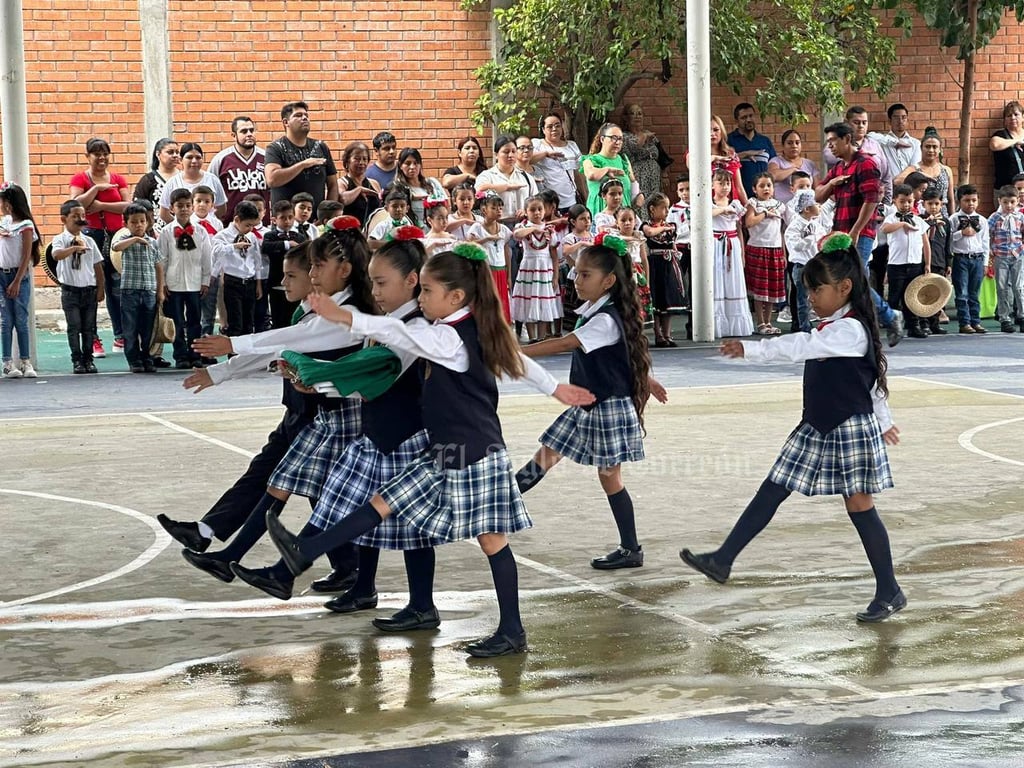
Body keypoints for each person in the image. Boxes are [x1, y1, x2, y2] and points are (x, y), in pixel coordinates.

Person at [260, 244, 595, 657]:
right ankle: (302, 553)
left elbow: (400, 332)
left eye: (428, 292)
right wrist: (556, 388)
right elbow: (519, 362)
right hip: (451, 449)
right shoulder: (473, 326)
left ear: (455, 297)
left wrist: (346, 316)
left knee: (491, 540)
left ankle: (512, 631)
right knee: (384, 502)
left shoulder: (448, 338)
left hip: (469, 453)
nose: (420, 299)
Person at [681, 234, 905, 623]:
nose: (811, 298)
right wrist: (884, 421)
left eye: (817, 290)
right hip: (818, 424)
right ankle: (722, 559)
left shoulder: (848, 331)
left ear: (844, 288)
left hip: (849, 428)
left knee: (859, 505)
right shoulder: (837, 325)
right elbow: (870, 382)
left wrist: (750, 349)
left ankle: (890, 590)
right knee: (773, 487)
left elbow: (803, 347)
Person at [230, 237, 441, 623]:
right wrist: (319, 384)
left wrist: (322, 379)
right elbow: (367, 377)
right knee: (349, 508)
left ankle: (421, 605)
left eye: (381, 283)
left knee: (412, 527)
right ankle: (349, 584)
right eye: (372, 282)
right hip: (379, 432)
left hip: (405, 437)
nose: (373, 290)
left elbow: (375, 370)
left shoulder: (416, 328)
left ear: (411, 281)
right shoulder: (389, 322)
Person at [185, 219, 377, 583]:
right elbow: (293, 348)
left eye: (318, 266)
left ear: (346, 270)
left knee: (353, 506)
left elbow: (287, 342)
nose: (312, 274)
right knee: (294, 488)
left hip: (347, 417)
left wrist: (234, 346)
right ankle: (251, 561)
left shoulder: (345, 315)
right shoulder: (328, 309)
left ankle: (337, 576)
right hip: (328, 415)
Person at [513, 234, 666, 568]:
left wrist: (516, 351)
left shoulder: (604, 319)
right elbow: (624, 354)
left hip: (607, 407)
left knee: (609, 477)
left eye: (585, 275)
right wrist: (646, 379)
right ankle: (496, 506)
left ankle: (631, 549)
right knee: (545, 456)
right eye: (576, 272)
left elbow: (565, 343)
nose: (576, 280)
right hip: (589, 403)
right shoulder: (601, 313)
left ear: (608, 281)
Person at [816, 121, 904, 346]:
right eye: (828, 143)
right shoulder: (838, 168)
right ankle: (869, 321)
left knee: (855, 279)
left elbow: (871, 200)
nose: (831, 146)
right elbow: (818, 196)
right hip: (839, 232)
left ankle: (885, 317)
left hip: (860, 233)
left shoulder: (866, 164)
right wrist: (833, 183)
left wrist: (855, 231)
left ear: (847, 139)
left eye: (834, 141)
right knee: (846, 280)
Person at [70, 137, 131, 357]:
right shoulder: (80, 178)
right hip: (90, 236)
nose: (102, 158)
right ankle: (93, 338)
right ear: (88, 156)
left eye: (105, 153)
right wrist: (96, 189)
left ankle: (121, 336)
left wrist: (101, 205)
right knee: (93, 288)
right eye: (97, 154)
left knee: (116, 288)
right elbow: (77, 205)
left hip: (115, 237)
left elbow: (127, 206)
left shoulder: (118, 178)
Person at [158, 189, 212, 369]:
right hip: (173, 283)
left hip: (195, 283)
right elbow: (162, 259)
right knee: (177, 322)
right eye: (179, 206)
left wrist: (205, 280)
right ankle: (180, 355)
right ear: (172, 208)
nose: (184, 209)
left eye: (187, 205)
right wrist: (163, 283)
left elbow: (206, 257)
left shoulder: (201, 231)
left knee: (195, 321)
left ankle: (195, 354)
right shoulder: (166, 232)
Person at [51, 200, 105, 374]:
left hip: (89, 290)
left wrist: (101, 288)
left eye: (82, 216)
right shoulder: (59, 240)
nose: (80, 219)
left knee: (89, 327)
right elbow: (56, 255)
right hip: (70, 291)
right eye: (75, 216)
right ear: (64, 219)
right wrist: (73, 248)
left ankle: (88, 359)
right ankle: (77, 360)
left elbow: (98, 266)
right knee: (74, 326)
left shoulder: (89, 240)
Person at [110, 203, 164, 373]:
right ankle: (133, 359)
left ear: (147, 223)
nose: (139, 225)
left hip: (148, 290)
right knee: (130, 327)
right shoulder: (124, 240)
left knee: (147, 327)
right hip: (129, 291)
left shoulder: (153, 243)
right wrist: (134, 239)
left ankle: (146, 356)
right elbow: (116, 247)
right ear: (126, 224)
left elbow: (159, 266)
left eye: (142, 221)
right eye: (134, 222)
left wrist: (160, 290)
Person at [264, 101, 339, 210]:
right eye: (298, 115)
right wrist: (303, 164)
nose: (304, 118)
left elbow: (332, 184)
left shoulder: (321, 147)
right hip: (286, 222)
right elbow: (272, 179)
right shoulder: (275, 148)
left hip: (316, 222)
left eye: (306, 115)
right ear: (286, 122)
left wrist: (327, 214)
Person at [0, 183, 41, 378]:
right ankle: (7, 362)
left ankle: (26, 361)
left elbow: (25, 256)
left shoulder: (25, 225)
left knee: (21, 319)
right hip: (1, 274)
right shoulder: (4, 222)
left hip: (19, 275)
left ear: (9, 203)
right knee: (5, 320)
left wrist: (17, 281)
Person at [880, 183, 931, 339]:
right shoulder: (891, 219)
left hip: (915, 263)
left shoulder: (918, 220)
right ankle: (893, 326)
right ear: (895, 201)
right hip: (897, 264)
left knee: (912, 296)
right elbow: (885, 229)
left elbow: (925, 243)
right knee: (895, 297)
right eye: (902, 201)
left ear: (914, 201)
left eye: (909, 201)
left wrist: (927, 263)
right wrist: (902, 224)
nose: (906, 204)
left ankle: (913, 325)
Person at [743, 173, 789, 335]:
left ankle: (769, 322)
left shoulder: (780, 205)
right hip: (757, 248)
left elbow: (782, 231)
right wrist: (765, 214)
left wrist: (783, 254)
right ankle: (760, 322)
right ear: (754, 189)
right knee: (759, 291)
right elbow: (748, 223)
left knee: (771, 290)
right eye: (761, 186)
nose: (766, 189)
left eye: (768, 185)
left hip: (775, 249)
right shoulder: (753, 203)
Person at [710, 169, 753, 338]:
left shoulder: (735, 203)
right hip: (715, 243)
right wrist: (723, 210)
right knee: (717, 280)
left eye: (728, 183)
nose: (725, 186)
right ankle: (717, 324)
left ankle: (735, 325)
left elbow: (739, 230)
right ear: (713, 185)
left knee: (733, 280)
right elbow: (706, 215)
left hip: (732, 243)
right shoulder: (709, 203)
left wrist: (742, 252)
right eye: (721, 183)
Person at [511, 196, 561, 342]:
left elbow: (554, 253)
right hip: (529, 267)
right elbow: (516, 235)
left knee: (543, 300)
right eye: (532, 210)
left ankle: (541, 336)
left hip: (545, 268)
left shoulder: (549, 230)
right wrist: (534, 227)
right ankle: (532, 337)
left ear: (545, 210)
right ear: (526, 212)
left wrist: (556, 276)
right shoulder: (523, 227)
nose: (537, 213)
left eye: (540, 209)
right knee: (529, 300)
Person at [211, 201, 263, 337]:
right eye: (248, 225)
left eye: (253, 225)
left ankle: (247, 356)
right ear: (237, 220)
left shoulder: (251, 236)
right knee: (235, 323)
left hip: (250, 282)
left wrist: (258, 284)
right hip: (233, 282)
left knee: (248, 323)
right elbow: (216, 252)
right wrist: (234, 246)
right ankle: (234, 356)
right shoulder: (223, 235)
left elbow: (257, 260)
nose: (250, 229)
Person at [208, 116, 270, 225]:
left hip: (262, 226)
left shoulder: (267, 158)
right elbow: (209, 191)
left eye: (251, 130)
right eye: (244, 131)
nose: (249, 134)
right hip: (230, 225)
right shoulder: (221, 159)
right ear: (234, 135)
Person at [783, 190, 826, 334]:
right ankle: (804, 327)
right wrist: (809, 239)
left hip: (816, 265)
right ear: (807, 208)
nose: (819, 206)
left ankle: (819, 322)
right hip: (802, 266)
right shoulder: (794, 227)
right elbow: (795, 246)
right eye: (816, 204)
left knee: (819, 295)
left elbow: (822, 240)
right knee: (802, 298)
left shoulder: (816, 225)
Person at [949, 184, 989, 334]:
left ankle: (975, 321)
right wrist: (961, 233)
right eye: (967, 200)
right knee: (962, 293)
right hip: (961, 259)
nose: (970, 203)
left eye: (973, 200)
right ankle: (964, 322)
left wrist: (985, 262)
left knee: (975, 293)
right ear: (960, 201)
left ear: (978, 201)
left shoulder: (982, 220)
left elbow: (986, 242)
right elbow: (949, 240)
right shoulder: (953, 219)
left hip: (977, 258)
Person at [468, 191, 513, 322]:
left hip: (500, 271)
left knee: (501, 304)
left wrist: (508, 275)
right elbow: (469, 244)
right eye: (493, 208)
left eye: (500, 208)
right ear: (484, 209)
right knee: (486, 302)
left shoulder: (504, 229)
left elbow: (507, 252)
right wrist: (486, 238)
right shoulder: (477, 227)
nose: (498, 210)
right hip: (486, 270)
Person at [261, 200, 305, 328]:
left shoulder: (299, 237)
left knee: (293, 316)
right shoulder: (270, 236)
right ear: (274, 220)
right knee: (278, 316)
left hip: (296, 283)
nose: (287, 221)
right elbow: (265, 248)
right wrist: (287, 244)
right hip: (276, 281)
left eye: (290, 217)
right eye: (283, 218)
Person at [582, 123, 642, 217]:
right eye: (613, 138)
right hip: (600, 213)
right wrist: (607, 169)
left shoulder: (623, 159)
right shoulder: (591, 160)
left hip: (623, 216)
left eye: (620, 139)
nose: (617, 142)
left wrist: (639, 194)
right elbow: (591, 175)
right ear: (602, 139)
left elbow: (633, 182)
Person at [158, 143, 228, 224]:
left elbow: (222, 209)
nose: (194, 161)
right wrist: (181, 225)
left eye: (198, 157)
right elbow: (164, 213)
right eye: (189, 157)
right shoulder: (172, 183)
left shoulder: (212, 180)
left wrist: (209, 222)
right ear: (181, 160)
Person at [686, 116, 747, 205]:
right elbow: (693, 168)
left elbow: (739, 186)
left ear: (721, 131)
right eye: (708, 130)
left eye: (716, 130)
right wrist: (713, 158)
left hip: (731, 204)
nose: (712, 133)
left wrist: (747, 206)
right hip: (706, 204)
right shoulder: (695, 152)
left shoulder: (731, 154)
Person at [531, 113, 585, 213]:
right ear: (543, 130)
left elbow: (578, 174)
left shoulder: (572, 145)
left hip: (571, 201)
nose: (554, 129)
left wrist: (585, 196)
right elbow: (527, 159)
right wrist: (545, 153)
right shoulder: (537, 144)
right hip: (548, 203)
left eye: (557, 125)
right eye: (550, 127)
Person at [988, 185, 1024, 333]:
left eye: (1012, 202)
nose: (1009, 205)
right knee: (1002, 288)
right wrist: (990, 251)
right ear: (999, 201)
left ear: (1017, 201)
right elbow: (988, 235)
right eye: (1005, 202)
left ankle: (1021, 316)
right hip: (1001, 256)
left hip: (1018, 255)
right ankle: (1004, 318)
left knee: (1019, 287)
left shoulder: (1020, 217)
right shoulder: (995, 217)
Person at [893, 128, 955, 215]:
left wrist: (952, 220)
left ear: (940, 149)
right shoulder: (914, 168)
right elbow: (896, 181)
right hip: (921, 216)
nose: (931, 150)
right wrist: (921, 176)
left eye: (935, 147)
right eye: (927, 146)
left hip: (943, 217)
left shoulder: (946, 170)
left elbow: (950, 199)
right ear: (921, 148)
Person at [869, 103, 922, 202]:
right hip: (887, 190)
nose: (900, 121)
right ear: (889, 121)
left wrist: (897, 181)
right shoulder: (882, 141)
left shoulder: (915, 143)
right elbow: (868, 136)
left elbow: (914, 167)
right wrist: (895, 142)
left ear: (907, 120)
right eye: (896, 118)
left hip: (909, 192)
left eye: (904, 118)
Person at [475, 135, 533, 224]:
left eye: (514, 151)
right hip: (496, 225)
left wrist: (526, 211)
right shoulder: (487, 176)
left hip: (522, 224)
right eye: (506, 152)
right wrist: (507, 187)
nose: (510, 155)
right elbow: (479, 190)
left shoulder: (526, 177)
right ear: (496, 155)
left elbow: (536, 200)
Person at [728, 103, 776, 200]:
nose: (749, 120)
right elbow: (723, 163)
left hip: (763, 197)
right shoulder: (729, 140)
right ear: (736, 120)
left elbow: (773, 167)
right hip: (738, 197)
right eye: (744, 117)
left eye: (751, 116)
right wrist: (743, 155)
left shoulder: (765, 141)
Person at [133, 138, 180, 236]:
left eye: (177, 152)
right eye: (170, 152)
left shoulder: (184, 178)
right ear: (158, 154)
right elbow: (137, 206)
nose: (175, 155)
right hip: (156, 232)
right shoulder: (148, 180)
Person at [922, 188, 952, 332]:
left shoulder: (945, 222)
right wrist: (929, 224)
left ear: (942, 204)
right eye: (930, 204)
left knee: (938, 292)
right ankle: (924, 323)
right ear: (923, 204)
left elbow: (948, 243)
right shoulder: (921, 221)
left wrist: (948, 263)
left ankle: (935, 323)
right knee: (924, 293)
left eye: (936, 204)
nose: (933, 207)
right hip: (924, 262)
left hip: (940, 261)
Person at [394, 148, 446, 226]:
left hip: (437, 230)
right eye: (407, 163)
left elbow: (446, 206)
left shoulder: (433, 183)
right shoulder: (398, 188)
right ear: (400, 166)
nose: (412, 167)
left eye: (416, 163)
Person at [337, 141, 382, 227]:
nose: (361, 162)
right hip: (351, 232)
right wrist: (359, 189)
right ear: (347, 162)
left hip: (371, 232)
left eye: (364, 159)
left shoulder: (374, 183)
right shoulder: (342, 182)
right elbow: (343, 199)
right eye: (357, 159)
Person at [767, 129, 818, 204]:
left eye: (797, 143)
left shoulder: (809, 164)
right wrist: (792, 169)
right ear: (783, 146)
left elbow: (817, 188)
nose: (794, 146)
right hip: (783, 208)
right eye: (790, 143)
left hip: (806, 209)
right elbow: (773, 176)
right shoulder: (776, 161)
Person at [989, 101, 1024, 199]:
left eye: (1016, 114)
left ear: (1023, 117)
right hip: (1005, 191)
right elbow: (994, 144)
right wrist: (1017, 141)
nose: (1013, 118)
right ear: (1005, 120)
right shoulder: (1000, 135)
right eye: (1009, 115)